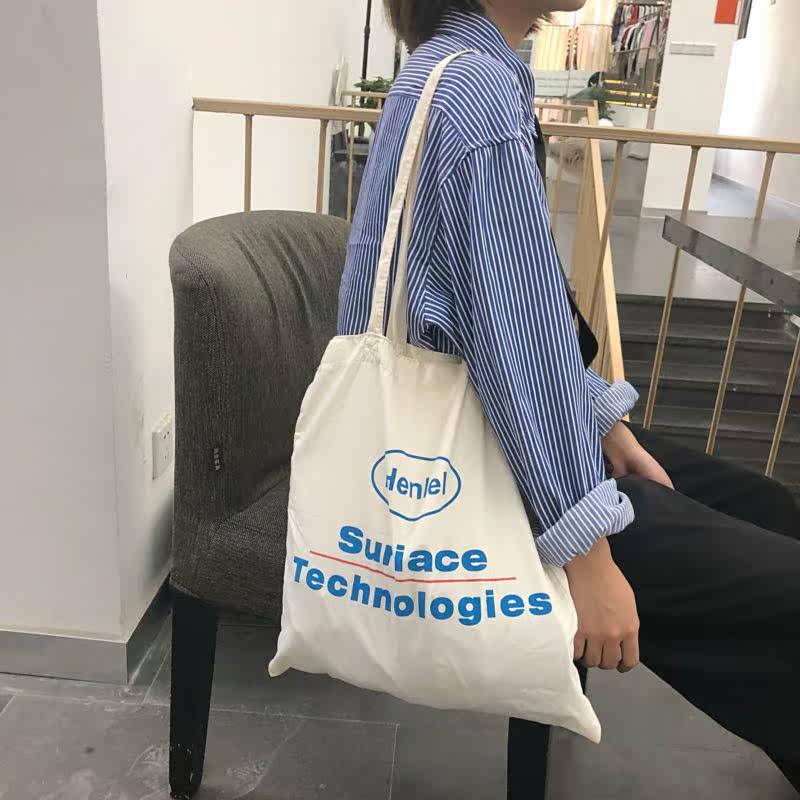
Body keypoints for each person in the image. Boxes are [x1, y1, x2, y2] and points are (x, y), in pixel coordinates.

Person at [337, 0, 800, 792]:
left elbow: (521, 325)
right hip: (486, 475)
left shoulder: (446, 72)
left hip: (481, 439)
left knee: (766, 508)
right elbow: (510, 342)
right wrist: (587, 554)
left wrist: (605, 427)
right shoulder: (477, 94)